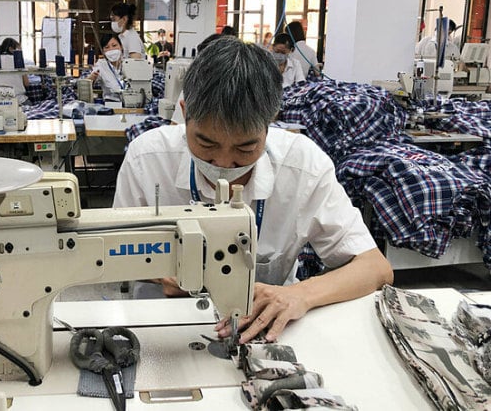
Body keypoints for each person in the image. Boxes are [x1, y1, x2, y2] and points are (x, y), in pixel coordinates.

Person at [113, 36, 393, 343]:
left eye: (246, 147)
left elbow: (375, 268)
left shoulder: (304, 167)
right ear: (184, 111)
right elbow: (112, 252)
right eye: (206, 143)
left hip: (267, 326)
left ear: (270, 122)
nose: (223, 163)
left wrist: (299, 295)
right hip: (161, 323)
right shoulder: (147, 160)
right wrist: (158, 271)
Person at [88, 34, 125, 102]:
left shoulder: (128, 63)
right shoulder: (101, 65)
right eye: (107, 47)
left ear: (121, 46)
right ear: (103, 51)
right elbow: (88, 82)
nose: (111, 50)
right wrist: (91, 78)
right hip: (111, 104)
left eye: (114, 46)